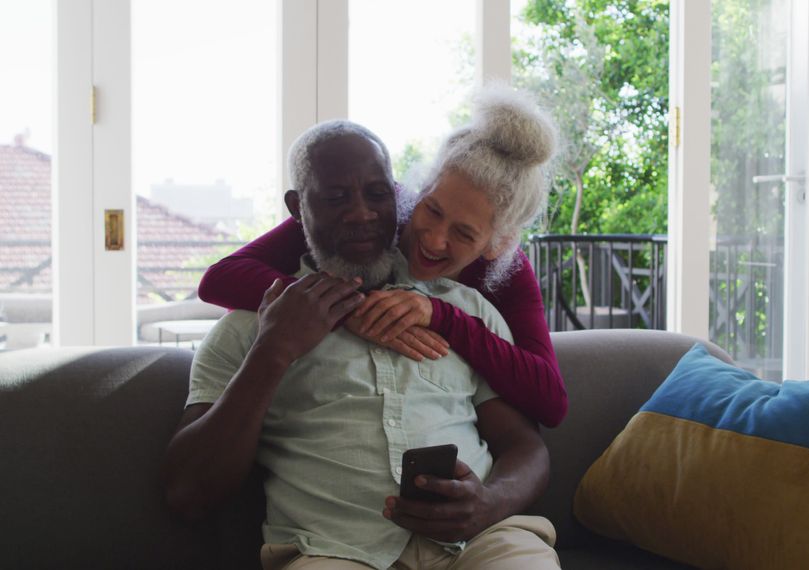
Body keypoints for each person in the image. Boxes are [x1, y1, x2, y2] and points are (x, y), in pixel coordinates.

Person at [163, 120, 560, 570]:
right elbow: (188, 494)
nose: (361, 214)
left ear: (396, 199)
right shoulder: (249, 328)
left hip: (483, 543)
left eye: (376, 195)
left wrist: (489, 502)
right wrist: (274, 349)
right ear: (297, 207)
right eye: (335, 198)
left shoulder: (467, 309)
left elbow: (529, 445)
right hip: (331, 551)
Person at [198, 86, 567, 428]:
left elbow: (550, 401)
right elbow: (220, 278)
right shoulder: (369, 211)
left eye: (464, 233)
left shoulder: (508, 272)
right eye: (432, 210)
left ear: (497, 243)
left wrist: (441, 318)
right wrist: (348, 310)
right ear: (418, 190)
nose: (435, 240)